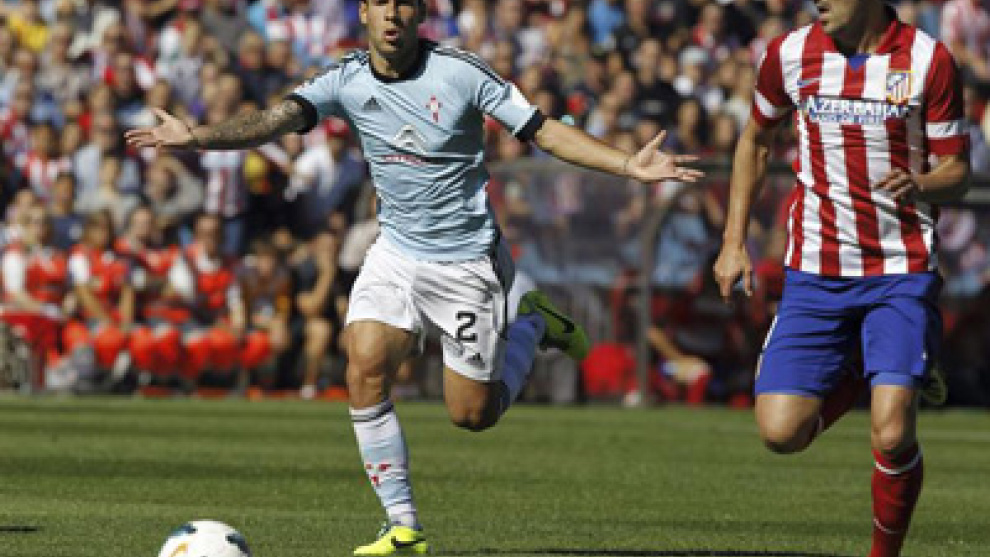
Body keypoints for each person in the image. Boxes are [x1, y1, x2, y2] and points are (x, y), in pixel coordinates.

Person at [126, 0, 701, 554]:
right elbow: (276, 120)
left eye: (405, 4)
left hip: (467, 264)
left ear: (421, 14)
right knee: (364, 363)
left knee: (472, 415)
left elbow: (543, 130)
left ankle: (531, 323)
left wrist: (627, 164)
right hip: (396, 255)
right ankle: (404, 528)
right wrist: (198, 136)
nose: (393, 14)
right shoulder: (345, 79)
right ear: (364, 13)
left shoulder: (461, 73)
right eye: (381, 3)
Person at [712, 1, 970, 556]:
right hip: (815, 272)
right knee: (781, 433)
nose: (818, 2)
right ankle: (860, 363)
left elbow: (957, 170)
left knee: (893, 432)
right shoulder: (789, 54)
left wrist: (923, 184)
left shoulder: (929, 59)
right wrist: (733, 242)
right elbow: (755, 141)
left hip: (899, 269)